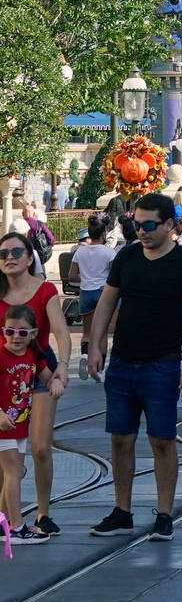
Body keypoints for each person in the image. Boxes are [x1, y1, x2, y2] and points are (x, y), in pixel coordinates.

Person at [85, 192, 182, 543]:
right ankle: (122, 511)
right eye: (136, 224)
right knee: (120, 438)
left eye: (149, 225)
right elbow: (107, 301)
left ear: (170, 225)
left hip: (162, 365)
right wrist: (95, 347)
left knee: (162, 440)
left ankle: (165, 514)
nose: (142, 231)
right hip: (123, 362)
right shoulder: (127, 257)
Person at [0, 224, 70, 537]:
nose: (9, 258)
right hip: (2, 374)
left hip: (37, 371)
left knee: (40, 448)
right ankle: (6, 519)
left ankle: (43, 513)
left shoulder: (45, 291)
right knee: (5, 454)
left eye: (16, 252)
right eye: (3, 254)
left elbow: (61, 332)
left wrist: (64, 367)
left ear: (30, 258)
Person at [0, 304, 55, 544]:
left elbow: (46, 377)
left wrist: (58, 381)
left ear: (33, 334)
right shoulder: (0, 354)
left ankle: (3, 523)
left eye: (22, 332)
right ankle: (17, 527)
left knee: (13, 474)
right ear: (3, 332)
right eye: (10, 331)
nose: (15, 337)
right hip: (3, 425)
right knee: (13, 473)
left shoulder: (33, 355)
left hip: (19, 426)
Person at [73, 214, 115, 373]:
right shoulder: (108, 252)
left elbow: (71, 274)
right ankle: (100, 369)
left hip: (86, 291)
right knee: (102, 331)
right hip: (103, 292)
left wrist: (85, 276)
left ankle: (84, 355)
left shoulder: (80, 252)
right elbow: (113, 274)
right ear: (103, 235)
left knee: (87, 331)